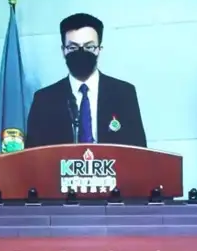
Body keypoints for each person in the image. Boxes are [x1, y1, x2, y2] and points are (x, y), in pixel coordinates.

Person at [26, 13, 147, 149]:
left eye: (89, 47)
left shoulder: (124, 94)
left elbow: (139, 151)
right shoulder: (44, 99)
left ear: (99, 50)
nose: (81, 53)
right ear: (63, 50)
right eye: (73, 47)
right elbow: (33, 155)